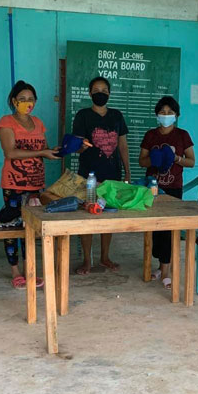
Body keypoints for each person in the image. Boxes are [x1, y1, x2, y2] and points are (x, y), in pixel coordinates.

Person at [0, 80, 60, 288]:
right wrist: (42, 152)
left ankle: (29, 269)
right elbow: (10, 152)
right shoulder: (6, 122)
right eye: (22, 99)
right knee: (12, 227)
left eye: (31, 99)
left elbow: (45, 148)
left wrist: (59, 150)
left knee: (31, 228)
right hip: (14, 183)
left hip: (35, 184)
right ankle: (15, 271)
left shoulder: (38, 122)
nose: (27, 103)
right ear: (14, 101)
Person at [72, 76, 130, 274]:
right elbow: (77, 148)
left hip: (112, 175)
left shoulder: (116, 116)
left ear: (109, 93)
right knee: (87, 218)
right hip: (88, 177)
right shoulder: (82, 116)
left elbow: (122, 145)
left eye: (104, 90)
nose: (100, 93)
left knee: (108, 217)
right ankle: (87, 260)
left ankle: (105, 257)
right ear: (89, 93)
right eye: (96, 89)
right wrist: (81, 146)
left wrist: (127, 173)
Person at [138, 96, 195, 289]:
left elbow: (191, 161)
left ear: (177, 115)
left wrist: (177, 158)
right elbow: (141, 161)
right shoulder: (151, 135)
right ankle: (159, 265)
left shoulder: (182, 135)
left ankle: (166, 271)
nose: (166, 115)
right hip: (153, 189)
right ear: (156, 114)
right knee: (156, 229)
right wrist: (153, 160)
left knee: (170, 229)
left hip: (173, 188)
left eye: (170, 112)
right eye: (162, 112)